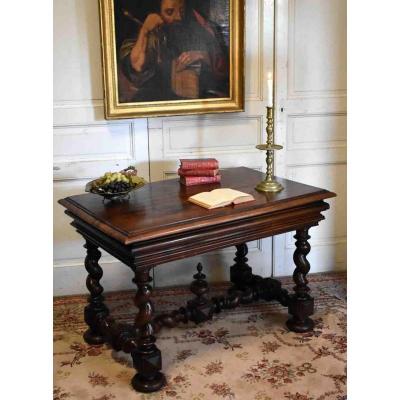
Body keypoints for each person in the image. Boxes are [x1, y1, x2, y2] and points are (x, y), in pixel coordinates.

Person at [119, 0, 229, 102]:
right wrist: (145, 31)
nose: (178, 17)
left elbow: (222, 69)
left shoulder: (197, 29)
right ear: (156, 14)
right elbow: (138, 65)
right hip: (156, 102)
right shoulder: (145, 38)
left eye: (182, 11)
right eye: (170, 12)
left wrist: (203, 56)